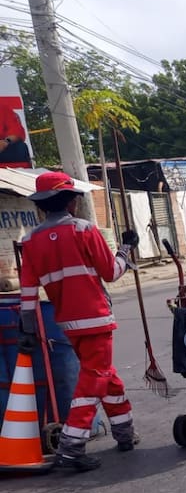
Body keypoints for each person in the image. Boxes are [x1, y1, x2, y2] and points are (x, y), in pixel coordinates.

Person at [19, 171, 139, 471]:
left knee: (105, 376)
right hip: (96, 318)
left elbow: (28, 289)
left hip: (68, 322)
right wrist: (125, 250)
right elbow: (111, 272)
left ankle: (125, 433)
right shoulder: (84, 230)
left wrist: (28, 327)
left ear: (43, 205)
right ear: (70, 202)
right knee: (93, 382)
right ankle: (71, 447)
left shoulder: (31, 241)